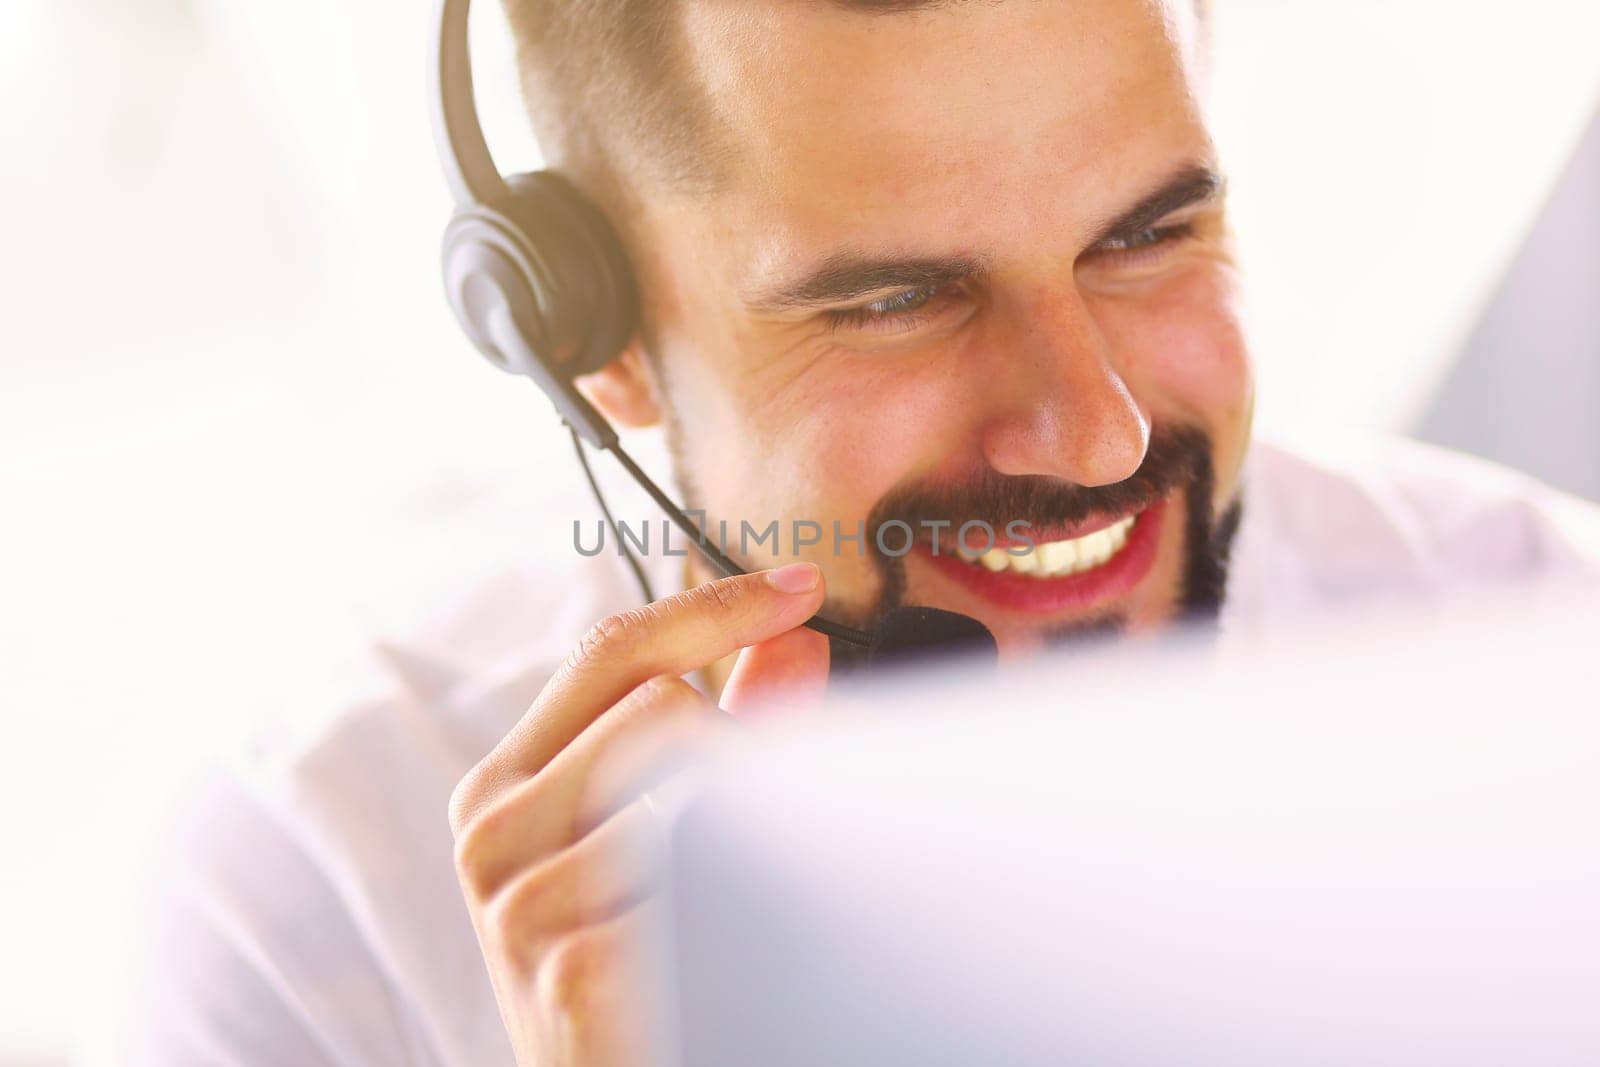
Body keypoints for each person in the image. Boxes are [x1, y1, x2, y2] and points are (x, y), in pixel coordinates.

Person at [129, 1, 1600, 1064]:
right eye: (896, 301)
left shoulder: (1544, 654)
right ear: (592, 341)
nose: (1096, 430)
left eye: (1147, 235)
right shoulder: (325, 897)